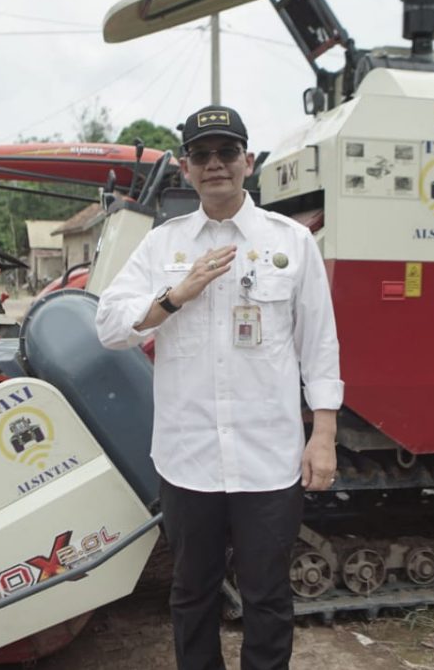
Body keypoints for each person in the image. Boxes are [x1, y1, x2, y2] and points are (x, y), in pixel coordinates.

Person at [96, 105, 342, 670]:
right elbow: (108, 326)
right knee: (192, 595)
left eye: (226, 152)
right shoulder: (162, 246)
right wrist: (174, 297)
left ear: (247, 161)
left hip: (268, 458)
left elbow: (319, 343)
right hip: (189, 459)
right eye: (201, 154)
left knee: (267, 597)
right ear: (186, 168)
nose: (215, 164)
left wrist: (323, 434)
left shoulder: (291, 242)